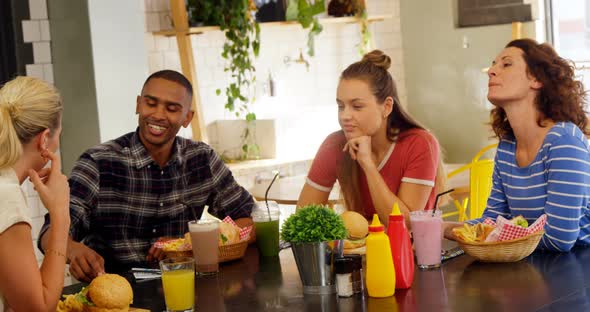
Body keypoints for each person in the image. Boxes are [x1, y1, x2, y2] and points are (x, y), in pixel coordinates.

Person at [38, 70, 255, 282]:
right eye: (151, 103)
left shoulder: (202, 159)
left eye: (171, 108)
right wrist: (74, 250)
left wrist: (186, 245)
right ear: (138, 104)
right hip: (114, 291)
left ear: (187, 117)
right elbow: (50, 233)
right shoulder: (98, 162)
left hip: (183, 285)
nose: (158, 115)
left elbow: (248, 221)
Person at [445, 39, 590, 252]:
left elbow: (559, 239)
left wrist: (493, 235)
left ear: (537, 80)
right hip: (533, 265)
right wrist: (445, 228)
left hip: (578, 270)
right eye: (493, 64)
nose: (491, 71)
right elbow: (491, 222)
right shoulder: (507, 148)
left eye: (506, 64)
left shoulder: (564, 141)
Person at [297, 50, 444, 226]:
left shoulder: (419, 143)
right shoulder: (334, 145)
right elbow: (303, 218)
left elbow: (404, 224)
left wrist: (368, 165)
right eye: (341, 106)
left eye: (357, 106)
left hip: (412, 250)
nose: (345, 116)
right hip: (359, 250)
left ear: (387, 107)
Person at [0, 76, 70, 311]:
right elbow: (36, 309)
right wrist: (60, 215)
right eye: (59, 134)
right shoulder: (6, 196)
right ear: (44, 140)